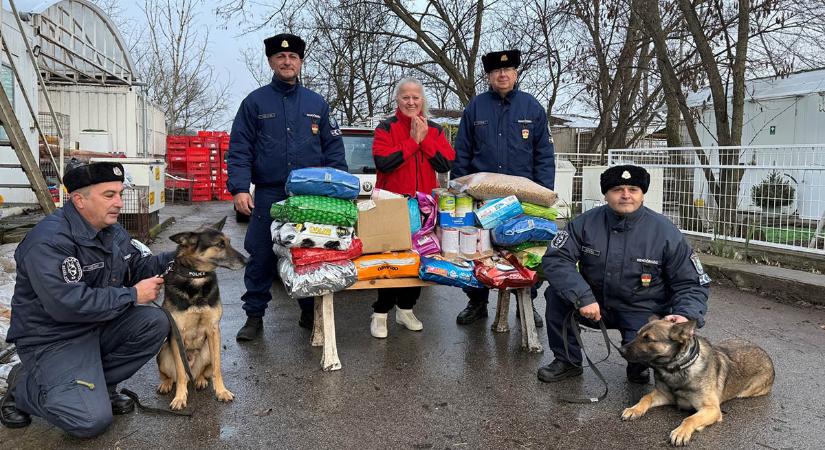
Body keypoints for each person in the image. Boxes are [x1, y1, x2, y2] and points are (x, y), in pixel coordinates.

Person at [0, 160, 172, 437]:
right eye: (109, 195)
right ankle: (23, 386)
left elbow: (137, 267)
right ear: (79, 199)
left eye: (120, 194)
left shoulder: (111, 230)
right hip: (52, 339)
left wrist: (182, 255)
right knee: (89, 421)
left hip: (95, 326)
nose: (118, 202)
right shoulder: (49, 241)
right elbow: (68, 304)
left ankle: (95, 388)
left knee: (154, 322)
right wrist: (132, 295)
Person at [537, 164, 710, 384]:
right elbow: (557, 259)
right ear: (606, 194)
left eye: (633, 189)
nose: (626, 195)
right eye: (618, 189)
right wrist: (583, 297)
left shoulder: (666, 232)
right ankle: (568, 362)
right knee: (556, 295)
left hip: (642, 311)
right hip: (594, 304)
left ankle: (639, 366)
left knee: (640, 366)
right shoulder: (584, 223)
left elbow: (691, 283)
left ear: (642, 194)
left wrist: (685, 314)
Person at [227, 33, 347, 341]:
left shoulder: (316, 103)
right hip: (269, 193)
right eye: (280, 57)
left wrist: (340, 191)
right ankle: (254, 316)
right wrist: (240, 188)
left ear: (300, 62)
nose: (287, 61)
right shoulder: (255, 103)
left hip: (310, 196)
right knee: (262, 254)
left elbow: (333, 150)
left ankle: (309, 313)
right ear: (271, 61)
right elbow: (239, 149)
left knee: (309, 252)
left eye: (293, 57)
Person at [451, 49, 555, 327]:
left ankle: (526, 303)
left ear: (516, 73)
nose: (503, 74)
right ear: (489, 75)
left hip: (522, 199)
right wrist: (459, 191)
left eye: (508, 70)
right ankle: (476, 301)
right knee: (478, 249)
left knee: (525, 249)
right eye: (497, 71)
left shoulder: (532, 108)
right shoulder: (475, 107)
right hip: (481, 197)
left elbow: (544, 155)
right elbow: (462, 152)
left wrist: (543, 195)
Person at [370, 78, 455, 338]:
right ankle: (380, 312)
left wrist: (424, 140)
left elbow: (445, 162)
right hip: (392, 205)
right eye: (405, 97)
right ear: (398, 100)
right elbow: (384, 162)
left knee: (420, 257)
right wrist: (412, 142)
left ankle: (406, 308)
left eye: (416, 97)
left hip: (424, 206)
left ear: (422, 100)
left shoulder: (436, 130)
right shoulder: (385, 128)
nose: (411, 102)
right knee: (390, 259)